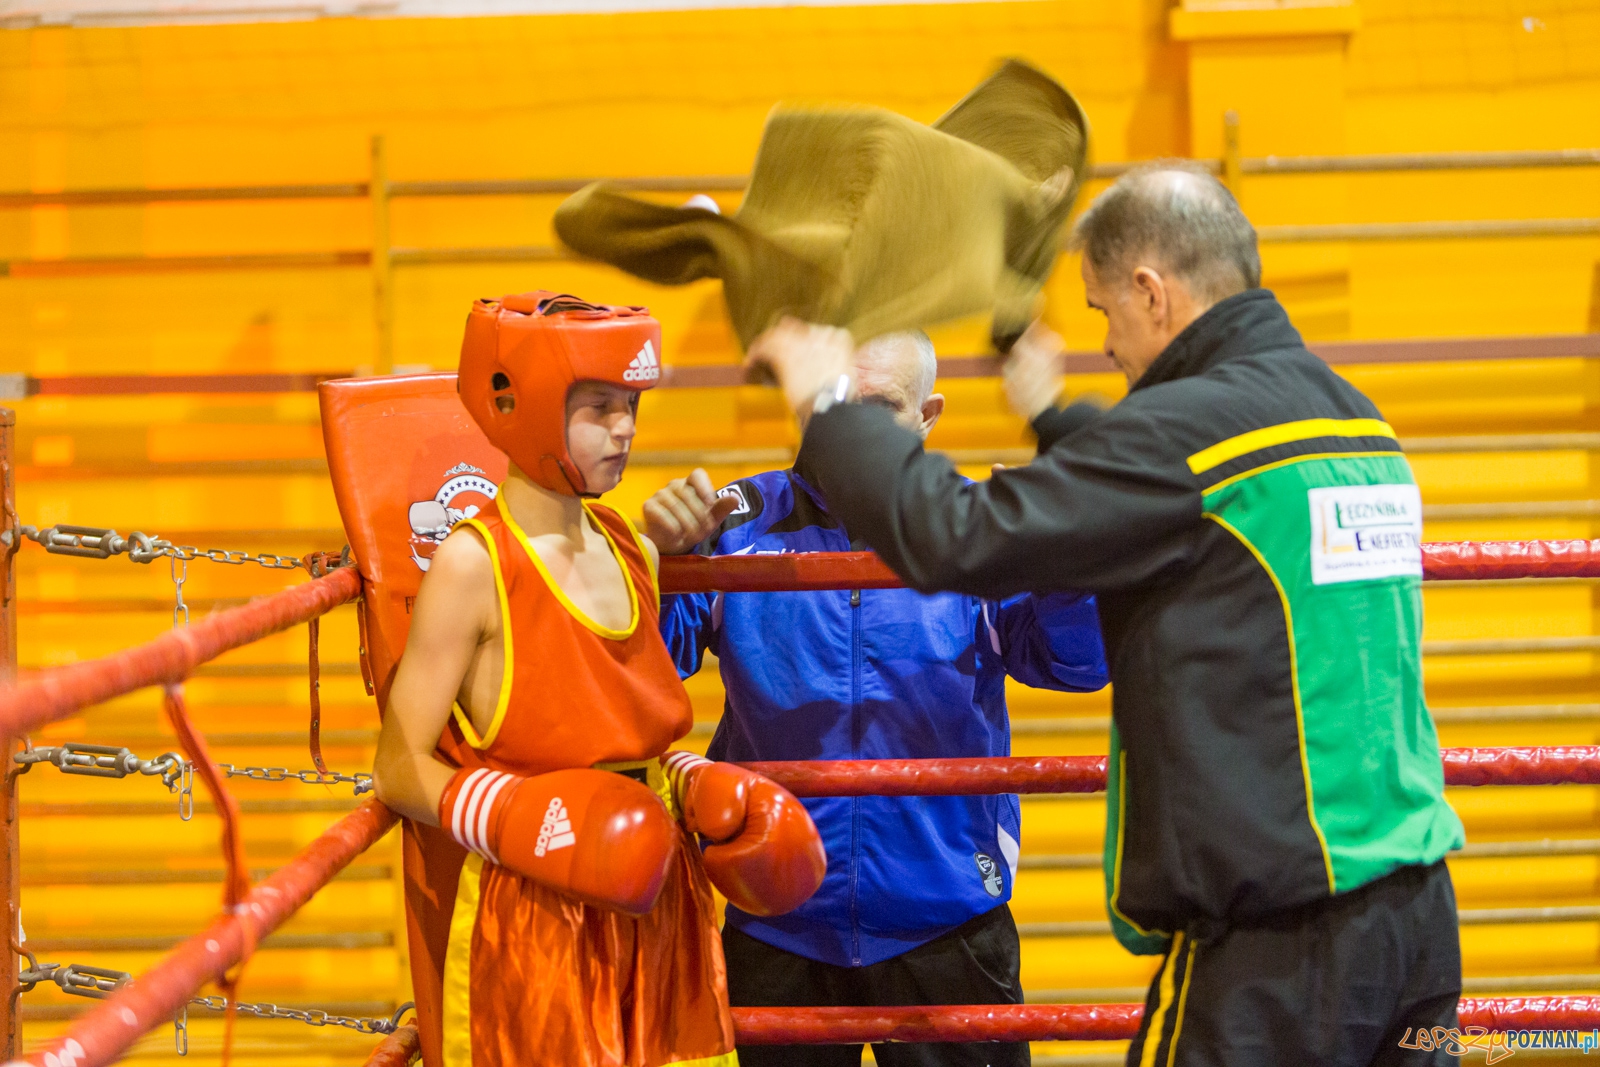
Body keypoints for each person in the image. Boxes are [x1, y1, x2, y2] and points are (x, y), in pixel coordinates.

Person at [745, 166, 1465, 1067]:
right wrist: (1051, 416)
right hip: (1418, 923)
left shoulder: (1183, 433)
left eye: (1101, 314)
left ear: (1151, 292)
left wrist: (824, 405)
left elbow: (956, 534)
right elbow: (1188, 496)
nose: (1111, 345)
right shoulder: (1354, 421)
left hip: (1282, 942)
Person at [371, 291, 825, 1067]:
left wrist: (687, 781)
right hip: (538, 913)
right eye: (600, 407)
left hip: (665, 907)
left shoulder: (631, 551)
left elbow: (627, 725)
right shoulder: (476, 565)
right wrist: (518, 813)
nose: (625, 428)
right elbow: (398, 764)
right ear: (532, 407)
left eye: (632, 406)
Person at [641, 330, 1109, 1067]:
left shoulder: (978, 522)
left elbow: (1076, 663)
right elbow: (648, 673)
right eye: (837, 401)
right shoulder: (736, 521)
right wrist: (661, 564)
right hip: (778, 920)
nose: (852, 426)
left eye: (882, 406)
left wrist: (1067, 559)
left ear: (928, 414)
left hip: (947, 920)